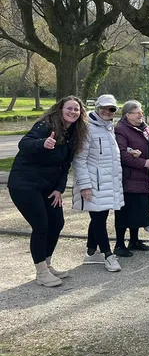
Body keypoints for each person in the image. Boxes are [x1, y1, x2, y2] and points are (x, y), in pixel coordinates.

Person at [8, 96, 88, 287]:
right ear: (60, 109)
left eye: (77, 109)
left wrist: (59, 189)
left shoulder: (74, 134)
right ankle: (41, 272)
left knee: (57, 222)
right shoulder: (45, 125)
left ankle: (47, 263)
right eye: (69, 108)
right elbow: (24, 144)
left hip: (48, 187)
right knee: (41, 225)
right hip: (25, 183)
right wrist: (42, 143)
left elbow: (65, 165)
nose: (73, 112)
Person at [72, 94, 125, 272]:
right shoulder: (87, 129)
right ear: (97, 108)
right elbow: (79, 160)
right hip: (94, 183)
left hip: (108, 182)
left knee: (99, 217)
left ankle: (90, 251)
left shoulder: (109, 129)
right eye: (104, 108)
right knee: (98, 218)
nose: (107, 112)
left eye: (111, 109)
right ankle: (108, 256)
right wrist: (85, 185)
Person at [114, 101, 149, 257]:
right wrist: (142, 163)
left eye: (141, 112)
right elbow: (122, 154)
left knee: (139, 211)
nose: (141, 115)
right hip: (129, 178)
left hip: (144, 177)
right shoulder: (121, 129)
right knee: (125, 212)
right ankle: (119, 244)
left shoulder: (145, 128)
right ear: (128, 115)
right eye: (137, 112)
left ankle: (134, 240)